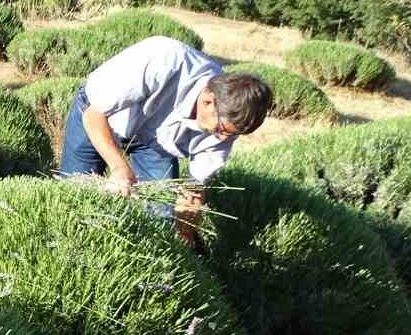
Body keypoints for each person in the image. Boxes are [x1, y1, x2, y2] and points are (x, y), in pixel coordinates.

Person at [58, 34, 273, 237]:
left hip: (156, 142)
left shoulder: (231, 116)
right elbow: (94, 115)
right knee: (75, 197)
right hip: (101, 117)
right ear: (208, 99)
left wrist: (189, 204)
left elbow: (197, 179)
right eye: (218, 130)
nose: (222, 138)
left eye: (230, 135)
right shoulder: (163, 59)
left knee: (159, 216)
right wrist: (119, 167)